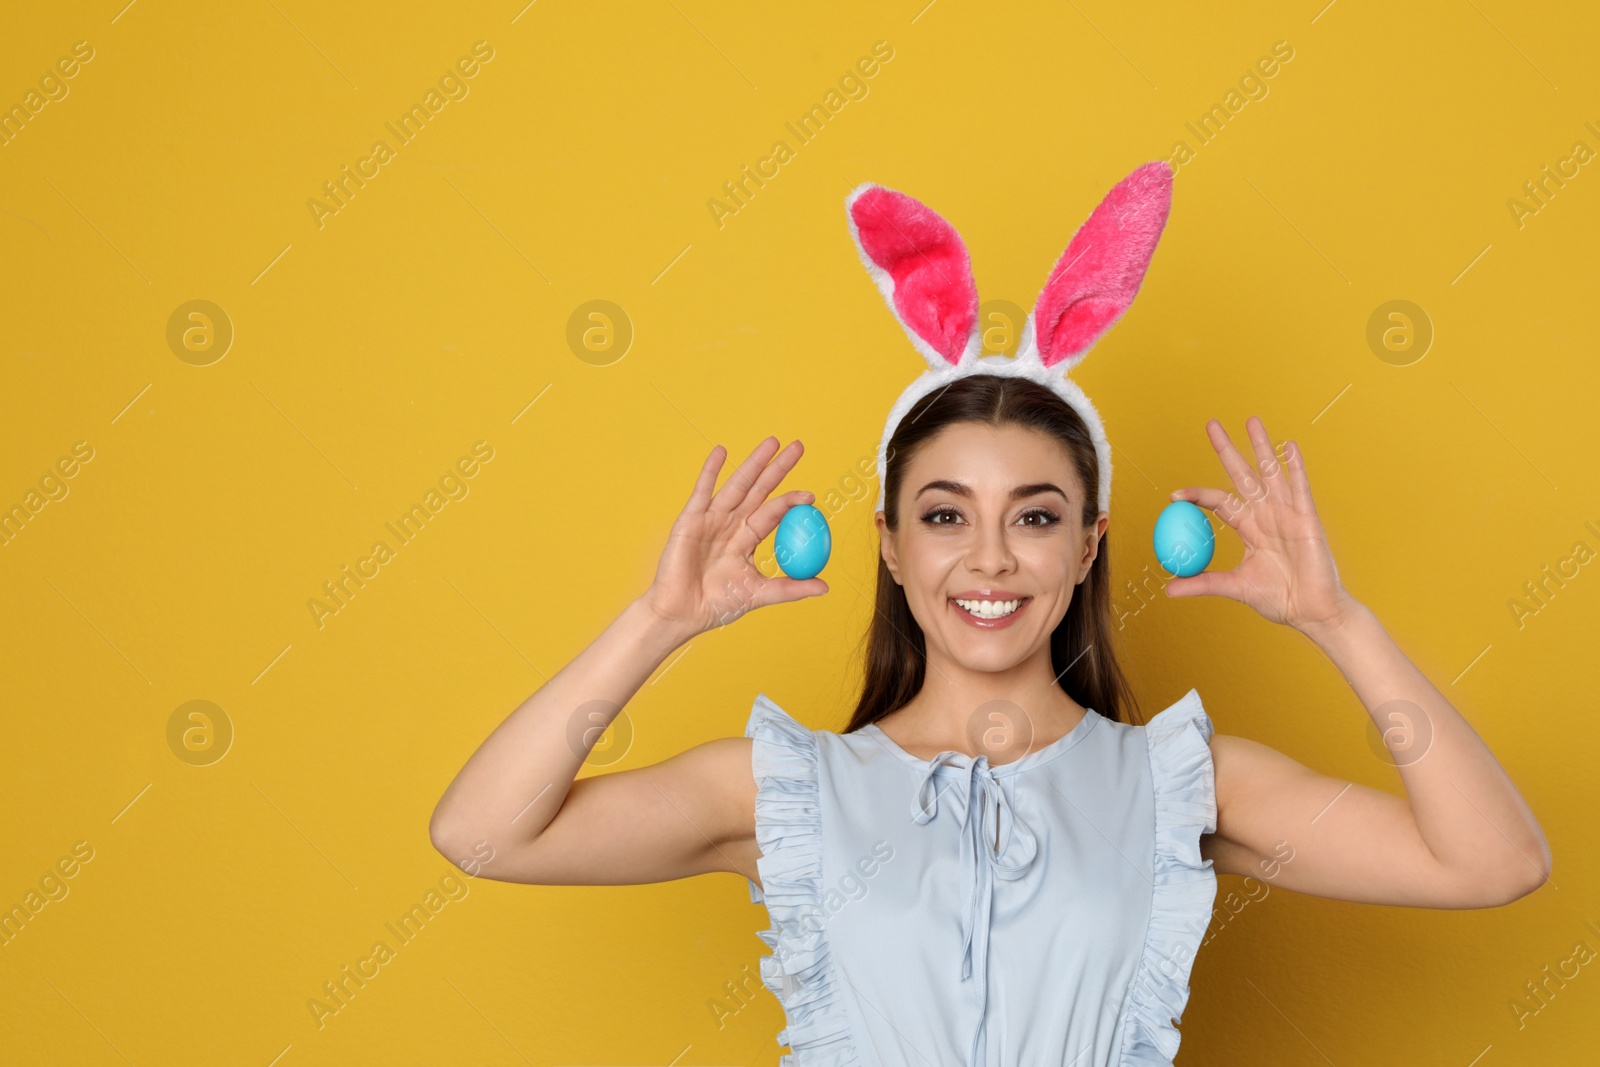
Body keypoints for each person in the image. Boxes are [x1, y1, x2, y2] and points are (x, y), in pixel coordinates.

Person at [429, 164, 1551, 1066]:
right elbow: (480, 832)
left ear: (1086, 544)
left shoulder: (1181, 782)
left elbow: (1491, 861)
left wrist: (1338, 621)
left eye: (1036, 514)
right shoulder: (787, 793)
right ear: (890, 543)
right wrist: (657, 621)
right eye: (944, 513)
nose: (990, 557)